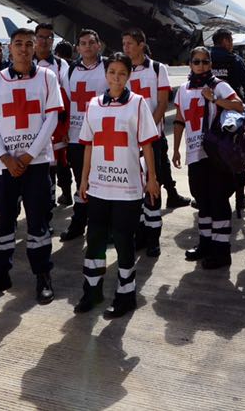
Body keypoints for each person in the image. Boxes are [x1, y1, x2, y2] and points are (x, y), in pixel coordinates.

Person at [0, 27, 65, 303]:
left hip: (35, 164)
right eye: (19, 44)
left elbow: (51, 119)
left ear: (37, 46)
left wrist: (27, 156)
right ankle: (0, 274)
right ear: (10, 47)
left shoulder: (48, 77)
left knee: (38, 223)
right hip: (5, 166)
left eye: (29, 43)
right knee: (5, 223)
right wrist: (5, 157)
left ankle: (43, 275)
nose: (24, 48)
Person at [74, 52, 161, 317]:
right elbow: (88, 145)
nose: (116, 77)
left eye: (121, 73)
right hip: (99, 185)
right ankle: (92, 290)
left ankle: (126, 294)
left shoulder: (137, 104)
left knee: (124, 240)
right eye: (112, 72)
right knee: (96, 238)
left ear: (128, 76)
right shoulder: (93, 104)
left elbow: (147, 144)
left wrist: (153, 179)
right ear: (106, 74)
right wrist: (84, 179)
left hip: (127, 187)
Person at [173, 46, 245, 269]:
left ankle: (222, 252)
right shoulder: (183, 89)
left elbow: (239, 106)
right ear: (190, 64)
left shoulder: (219, 86)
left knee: (219, 201)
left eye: (205, 62)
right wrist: (175, 149)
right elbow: (179, 120)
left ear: (211, 64)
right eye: (197, 62)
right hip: (194, 154)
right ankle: (205, 244)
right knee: (202, 201)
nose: (201, 66)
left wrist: (215, 100)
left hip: (216, 155)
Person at [123, 28, 183, 258]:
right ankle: (139, 233)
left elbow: (161, 104)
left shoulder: (158, 69)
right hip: (128, 141)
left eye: (129, 43)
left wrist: (146, 132)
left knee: (152, 185)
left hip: (151, 140)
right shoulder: (123, 69)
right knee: (133, 189)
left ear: (141, 44)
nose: (126, 47)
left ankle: (153, 238)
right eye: (124, 43)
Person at [60, 29, 106, 242]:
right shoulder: (69, 71)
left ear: (99, 45)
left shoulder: (108, 67)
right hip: (77, 138)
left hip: (104, 138)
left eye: (91, 42)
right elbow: (66, 104)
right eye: (83, 43)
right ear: (77, 48)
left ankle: (102, 226)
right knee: (82, 182)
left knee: (104, 183)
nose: (87, 46)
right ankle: (78, 223)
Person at [209, 28, 245, 218]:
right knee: (236, 153)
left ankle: (213, 196)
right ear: (226, 41)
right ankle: (239, 198)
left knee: (213, 155)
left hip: (211, 114)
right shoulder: (233, 59)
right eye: (230, 40)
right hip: (231, 114)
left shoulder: (205, 58)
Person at [33, 23, 71, 207]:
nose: (45, 41)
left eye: (49, 37)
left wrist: (66, 126)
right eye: (41, 37)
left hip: (55, 122)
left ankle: (63, 193)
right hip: (29, 122)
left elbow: (67, 97)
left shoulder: (60, 64)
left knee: (59, 162)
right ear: (35, 38)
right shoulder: (24, 61)